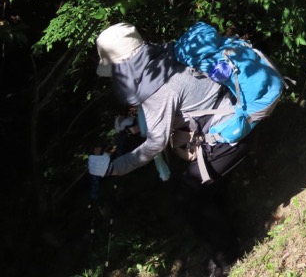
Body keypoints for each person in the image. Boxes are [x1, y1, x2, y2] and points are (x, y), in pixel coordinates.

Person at [87, 23, 246, 276]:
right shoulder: (164, 57)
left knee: (188, 197)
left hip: (226, 135)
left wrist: (113, 169)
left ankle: (228, 257)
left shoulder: (156, 89)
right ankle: (227, 240)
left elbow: (155, 143)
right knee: (205, 190)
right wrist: (136, 127)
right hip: (232, 117)